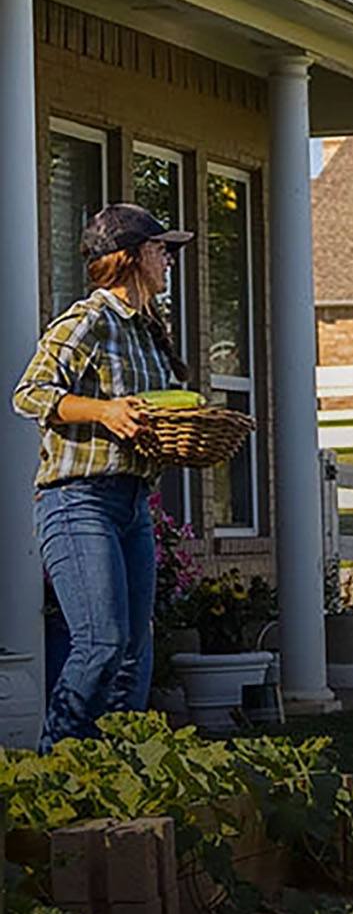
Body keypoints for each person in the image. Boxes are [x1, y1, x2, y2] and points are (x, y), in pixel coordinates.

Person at [13, 204, 192, 749]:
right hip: (77, 502)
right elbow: (31, 393)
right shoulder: (89, 319)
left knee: (135, 653)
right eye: (162, 250)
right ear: (133, 256)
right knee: (100, 642)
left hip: (133, 503)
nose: (169, 261)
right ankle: (54, 767)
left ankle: (114, 773)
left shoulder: (147, 331)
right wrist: (105, 412)